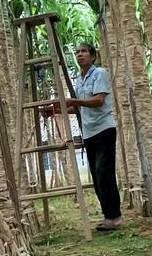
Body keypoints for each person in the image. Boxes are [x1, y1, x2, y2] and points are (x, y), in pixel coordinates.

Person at [44, 43, 122, 231]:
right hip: (89, 132)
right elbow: (79, 107)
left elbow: (98, 100)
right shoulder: (79, 80)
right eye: (78, 52)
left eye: (84, 52)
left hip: (104, 128)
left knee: (104, 171)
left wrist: (72, 101)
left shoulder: (100, 74)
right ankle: (108, 215)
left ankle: (115, 217)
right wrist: (57, 110)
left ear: (93, 57)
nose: (80, 55)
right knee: (96, 175)